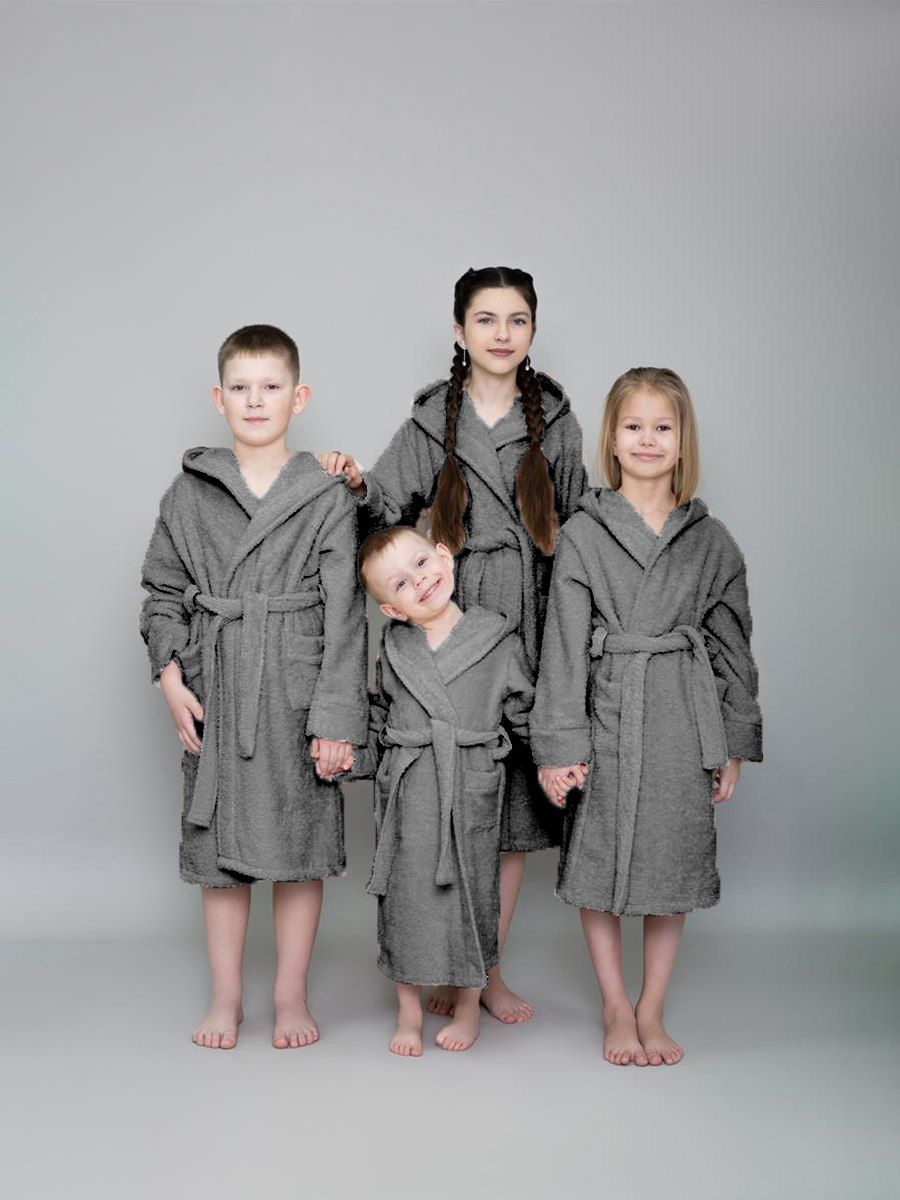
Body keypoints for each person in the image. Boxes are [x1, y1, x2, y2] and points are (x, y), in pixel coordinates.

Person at [318, 266, 587, 1023]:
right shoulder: (432, 419)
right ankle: (439, 958)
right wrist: (353, 483)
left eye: (517, 320)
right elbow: (382, 507)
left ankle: (483, 972)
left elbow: (579, 531)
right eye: (486, 320)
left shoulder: (556, 420)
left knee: (506, 815)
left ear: (532, 331)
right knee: (447, 802)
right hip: (449, 610)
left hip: (526, 619)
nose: (502, 334)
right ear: (460, 332)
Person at [140, 324, 368, 1050]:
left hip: (296, 688)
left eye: (271, 386)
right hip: (220, 682)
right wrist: (169, 677)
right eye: (240, 387)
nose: (255, 400)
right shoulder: (188, 493)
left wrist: (336, 717)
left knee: (299, 847)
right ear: (219, 399)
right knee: (220, 857)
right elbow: (162, 593)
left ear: (299, 398)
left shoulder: (326, 493)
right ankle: (227, 995)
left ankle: (291, 994)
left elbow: (347, 615)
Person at [531, 367, 763, 1067]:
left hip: (681, 718)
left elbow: (732, 650)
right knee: (597, 856)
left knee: (673, 861)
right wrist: (558, 746)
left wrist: (732, 742)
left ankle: (651, 1006)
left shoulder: (712, 540)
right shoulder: (583, 533)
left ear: (683, 440)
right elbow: (562, 647)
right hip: (607, 709)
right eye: (633, 426)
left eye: (663, 427)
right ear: (611, 438)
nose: (648, 439)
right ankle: (614, 1003)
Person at [342, 526, 533, 1055]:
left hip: (470, 782)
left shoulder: (498, 639)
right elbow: (380, 719)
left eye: (422, 563)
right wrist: (351, 758)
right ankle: (408, 1010)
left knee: (474, 893)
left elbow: (525, 713)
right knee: (405, 898)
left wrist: (558, 763)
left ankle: (469, 1007)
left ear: (445, 557)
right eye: (401, 584)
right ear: (392, 610)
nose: (420, 581)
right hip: (410, 791)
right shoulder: (393, 649)